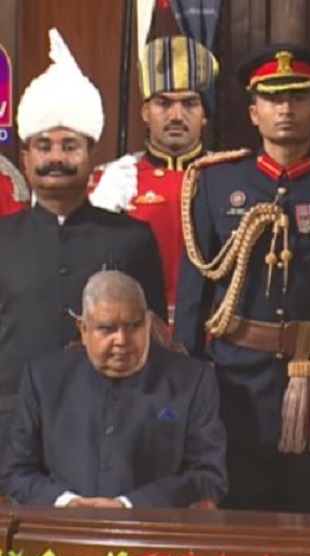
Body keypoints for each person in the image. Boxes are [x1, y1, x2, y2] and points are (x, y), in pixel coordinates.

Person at [175, 44, 310, 514]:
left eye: (298, 97)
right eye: (273, 99)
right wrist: (188, 383)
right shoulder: (215, 181)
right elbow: (197, 291)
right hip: (236, 378)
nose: (286, 109)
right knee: (241, 508)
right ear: (253, 112)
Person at [0, 29, 167, 454]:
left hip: (111, 429)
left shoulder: (132, 238)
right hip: (10, 430)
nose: (56, 157)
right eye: (44, 146)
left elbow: (152, 341)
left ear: (92, 153)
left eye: (69, 146)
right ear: (25, 158)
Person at [0, 271, 227, 508]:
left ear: (148, 322)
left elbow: (209, 476)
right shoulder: (43, 380)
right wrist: (69, 503)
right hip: (62, 531)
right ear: (84, 330)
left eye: (134, 325)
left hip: (154, 533)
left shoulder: (193, 380)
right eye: (107, 329)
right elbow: (15, 473)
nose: (122, 340)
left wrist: (127, 505)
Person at [89, 36, 219, 322]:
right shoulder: (110, 181)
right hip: (134, 333)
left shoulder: (229, 178)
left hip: (212, 332)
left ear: (205, 114)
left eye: (190, 103)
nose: (176, 115)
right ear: (145, 112)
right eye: (163, 103)